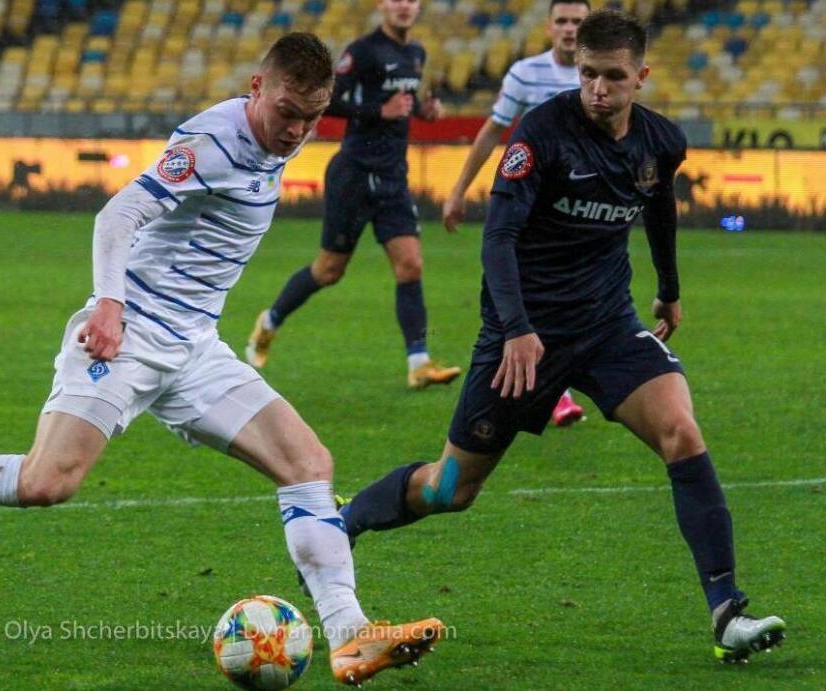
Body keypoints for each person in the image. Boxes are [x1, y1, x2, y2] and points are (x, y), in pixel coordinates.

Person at [0, 33, 443, 686]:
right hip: (129, 333)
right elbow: (117, 215)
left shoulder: (282, 134)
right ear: (257, 88)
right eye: (287, 112)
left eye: (311, 118)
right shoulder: (212, 143)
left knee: (309, 464)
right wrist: (110, 307)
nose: (296, 131)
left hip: (195, 347)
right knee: (47, 482)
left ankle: (348, 634)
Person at [336, 10, 786, 663]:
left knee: (682, 433)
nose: (599, 89)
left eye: (613, 77)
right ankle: (344, 521)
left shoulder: (660, 140)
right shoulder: (541, 134)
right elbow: (499, 237)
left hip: (608, 326)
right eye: (588, 74)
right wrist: (517, 329)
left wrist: (669, 287)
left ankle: (726, 612)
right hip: (523, 338)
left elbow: (659, 207)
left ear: (641, 76)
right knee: (448, 490)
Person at [246, 0, 462, 390]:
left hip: (392, 176)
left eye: (411, 0)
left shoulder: (416, 53)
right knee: (329, 270)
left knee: (410, 265)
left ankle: (419, 363)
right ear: (382, 5)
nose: (404, 6)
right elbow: (329, 102)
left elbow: (403, 105)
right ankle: (271, 320)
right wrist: (380, 111)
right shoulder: (362, 51)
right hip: (354, 174)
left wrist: (423, 111)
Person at [444, 0, 590, 426]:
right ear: (548, 27)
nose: (569, 29)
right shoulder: (525, 73)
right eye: (562, 21)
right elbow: (493, 130)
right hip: (531, 202)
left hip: (580, 207)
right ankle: (557, 392)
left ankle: (542, 379)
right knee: (532, 288)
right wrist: (458, 190)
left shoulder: (598, 78)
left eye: (578, 22)